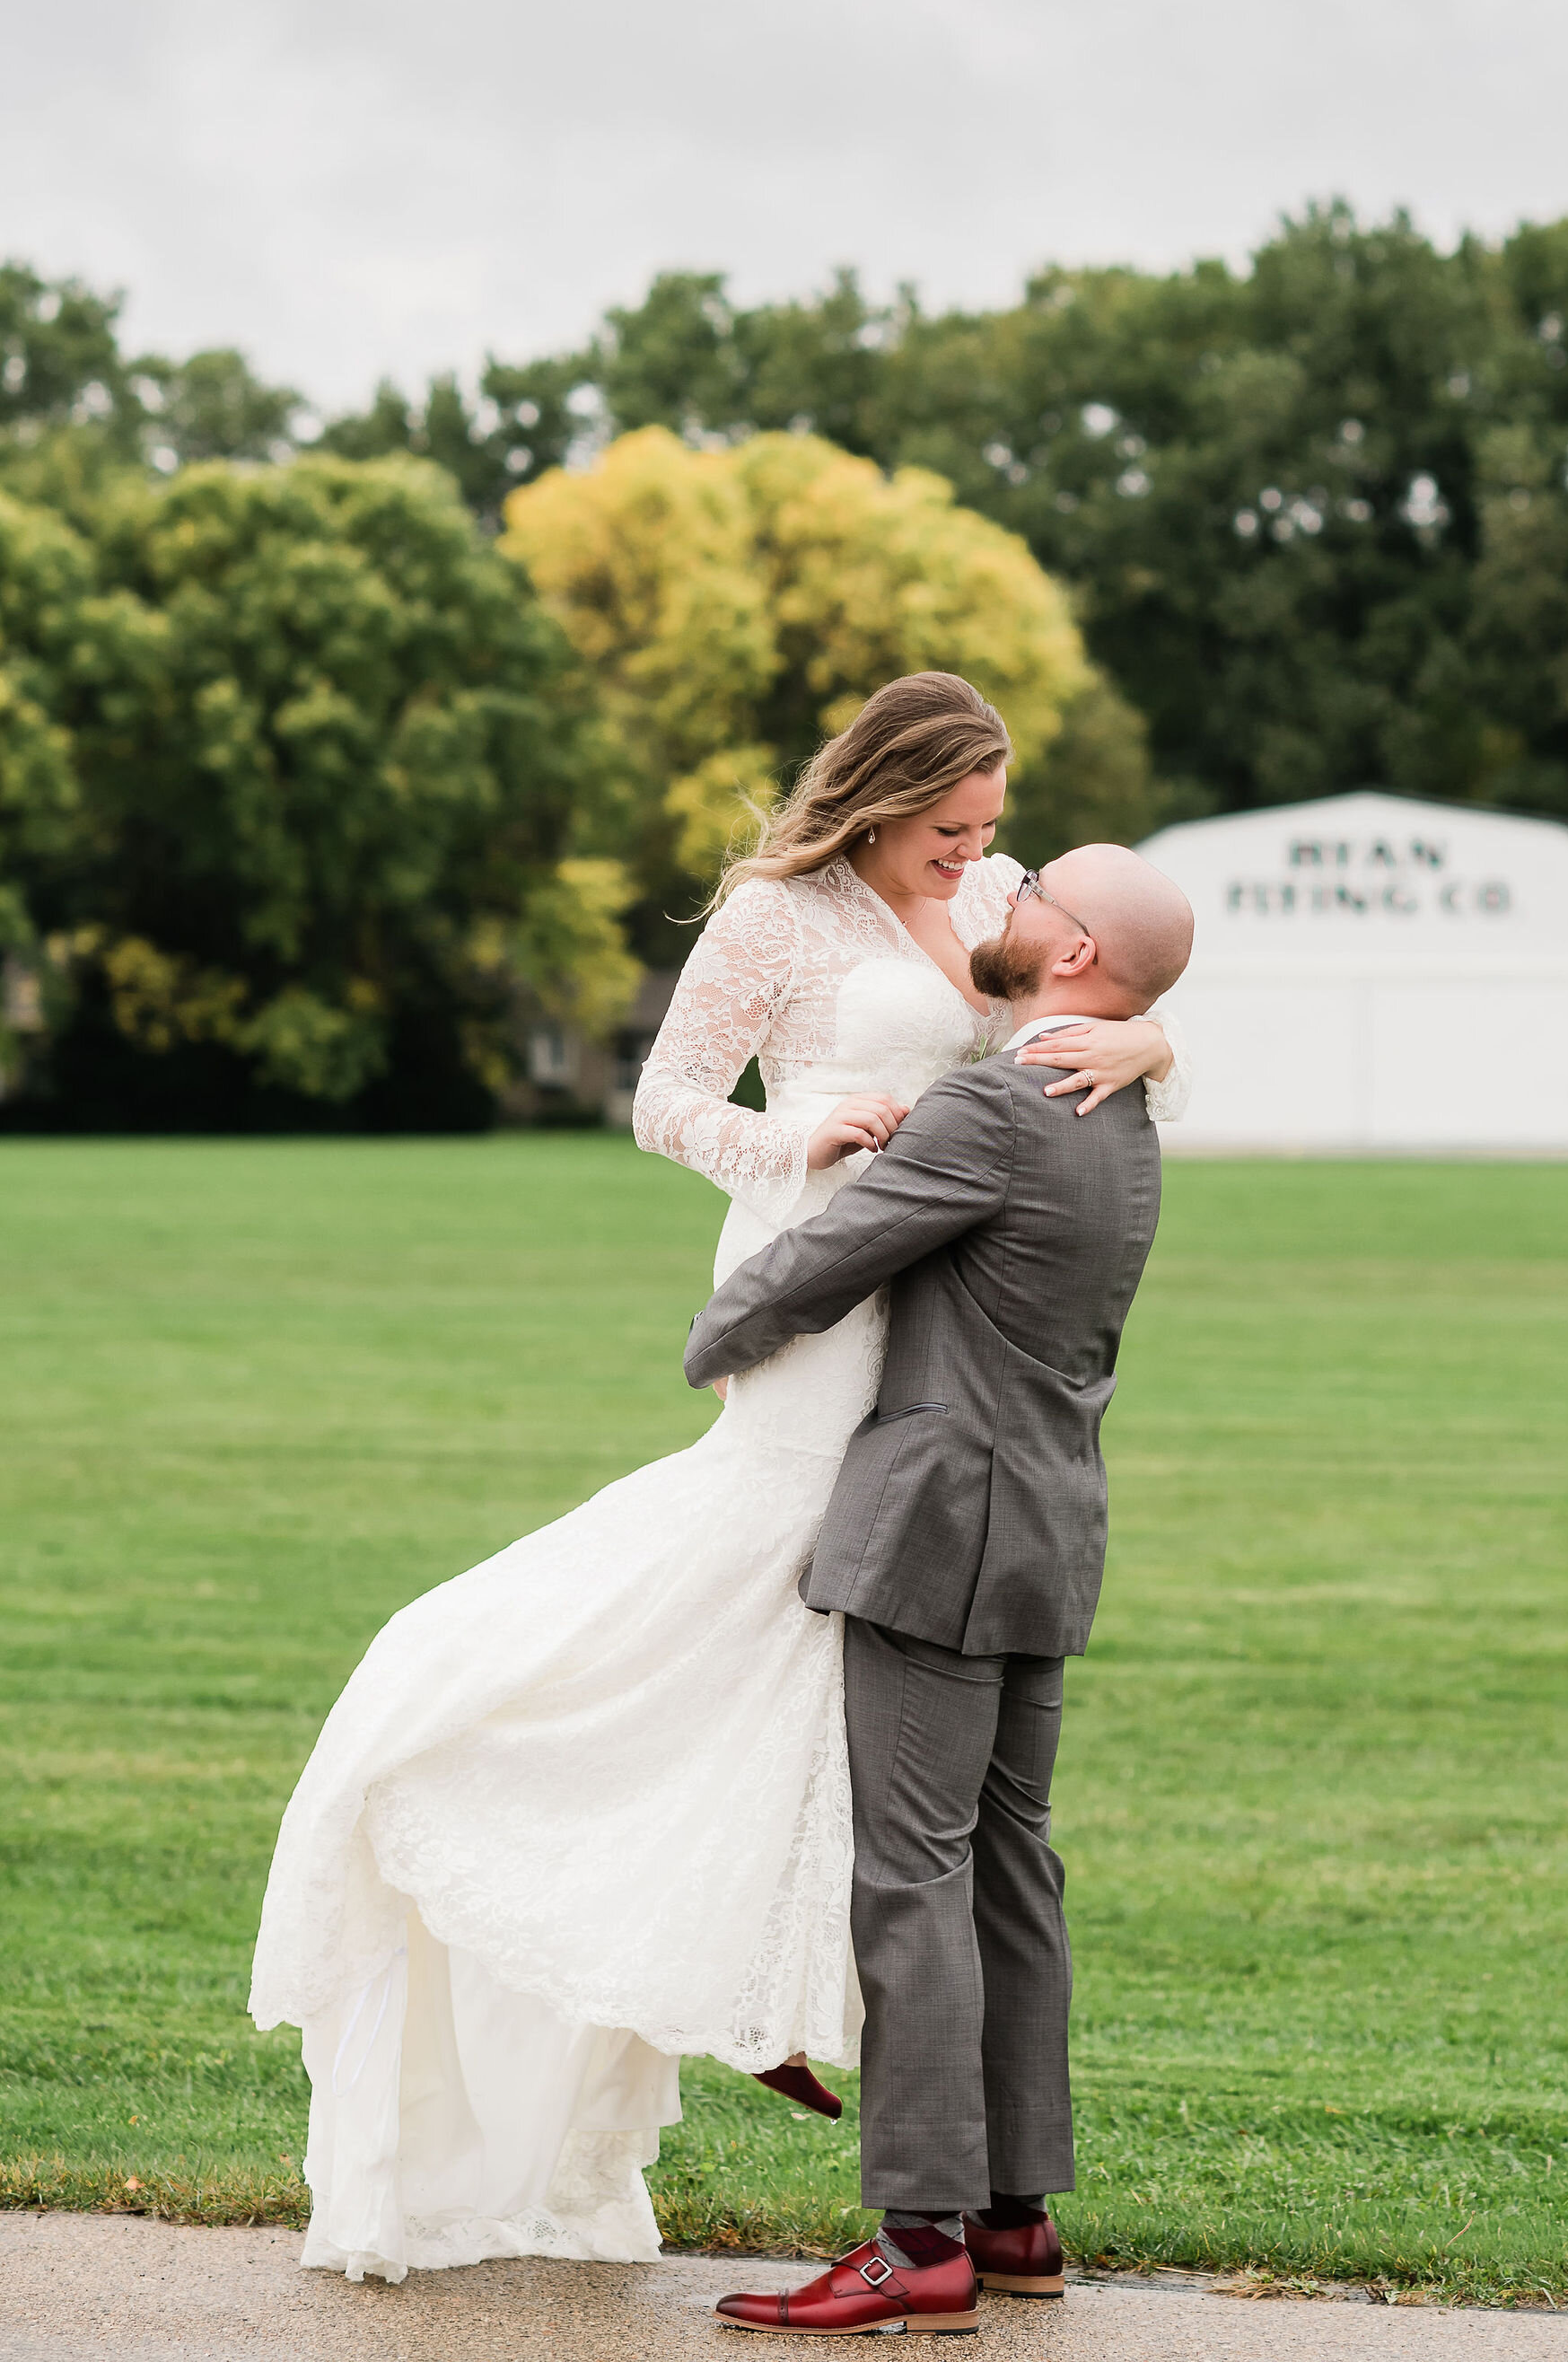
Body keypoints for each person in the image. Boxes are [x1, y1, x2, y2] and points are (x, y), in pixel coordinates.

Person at [248, 672, 1189, 2282]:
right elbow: (664, 1103)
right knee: (766, 1587)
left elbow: (1076, 1011)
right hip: (828, 1268)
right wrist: (800, 1150)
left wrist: (1152, 1029)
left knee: (836, 1648)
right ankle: (661, 1904)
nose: (977, 859)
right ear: (887, 801)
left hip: (944, 1287)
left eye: (991, 837)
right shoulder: (776, 916)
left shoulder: (993, 912)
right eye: (954, 830)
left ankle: (739, 1962)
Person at [685, 841, 1196, 2337]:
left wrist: (716, 1337)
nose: (1002, 904)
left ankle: (919, 2241)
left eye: (1033, 901)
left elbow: (833, 1257)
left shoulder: (994, 1105)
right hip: (1051, 1524)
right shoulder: (1125, 1115)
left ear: (1078, 953)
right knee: (1010, 1871)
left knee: (911, 1874)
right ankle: (1017, 2212)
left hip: (939, 1531)